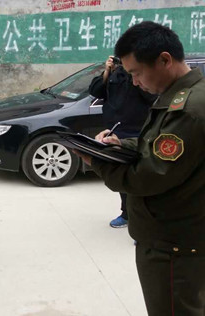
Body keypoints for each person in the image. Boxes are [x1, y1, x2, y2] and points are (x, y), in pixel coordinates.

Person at [78, 21, 205, 315]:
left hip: (173, 246)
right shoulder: (183, 96)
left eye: (136, 73)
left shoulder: (187, 110)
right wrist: (120, 145)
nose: (134, 82)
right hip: (176, 239)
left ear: (164, 60)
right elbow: (157, 145)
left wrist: (96, 160)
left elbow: (147, 177)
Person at [89, 55, 156, 228]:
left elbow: (151, 97)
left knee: (138, 177)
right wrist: (107, 71)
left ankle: (141, 219)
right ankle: (126, 213)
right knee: (120, 175)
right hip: (115, 132)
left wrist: (133, 75)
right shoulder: (114, 74)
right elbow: (95, 91)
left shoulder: (141, 76)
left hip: (137, 133)